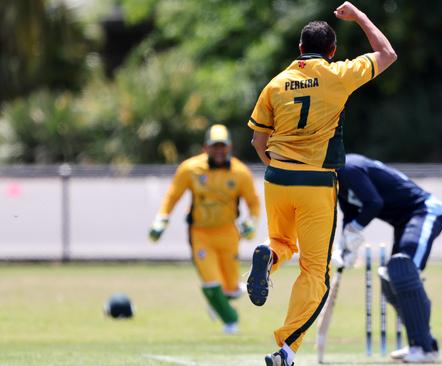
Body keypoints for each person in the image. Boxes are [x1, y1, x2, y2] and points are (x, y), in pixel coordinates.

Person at [245, 2, 397, 365]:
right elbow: (387, 53)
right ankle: (286, 348)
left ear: (299, 49)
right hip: (316, 184)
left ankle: (268, 259)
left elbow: (256, 141)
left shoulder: (276, 83)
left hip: (277, 177)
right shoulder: (338, 74)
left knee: (281, 241)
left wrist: (276, 167)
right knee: (316, 273)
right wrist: (359, 16)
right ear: (332, 51)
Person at [334, 153, 442, 363]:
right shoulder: (336, 180)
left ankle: (424, 348)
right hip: (404, 222)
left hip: (424, 211)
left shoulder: (348, 167)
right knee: (389, 278)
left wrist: (354, 230)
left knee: (402, 267)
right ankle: (422, 342)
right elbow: (349, 215)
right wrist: (345, 247)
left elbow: (374, 203)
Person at [148, 124, 260, 334]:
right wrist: (161, 219)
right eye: (214, 147)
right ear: (205, 148)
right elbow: (173, 195)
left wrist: (252, 222)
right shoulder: (190, 169)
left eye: (223, 147)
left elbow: (253, 202)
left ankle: (219, 303)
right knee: (210, 282)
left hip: (228, 233)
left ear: (230, 148)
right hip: (201, 234)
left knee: (231, 289)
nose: (219, 152)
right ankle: (231, 320)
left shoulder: (240, 172)